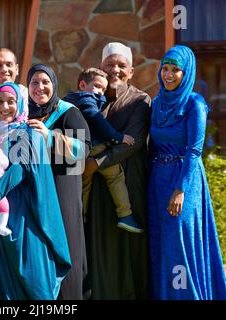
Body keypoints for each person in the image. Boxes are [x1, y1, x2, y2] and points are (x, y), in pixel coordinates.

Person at [0, 82, 72, 300]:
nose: (5, 106)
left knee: (34, 280)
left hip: (24, 217)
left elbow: (23, 165)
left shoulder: (30, 131)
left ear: (21, 103)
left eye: (11, 101)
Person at [148, 45, 226, 300]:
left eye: (176, 70)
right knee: (161, 243)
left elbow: (195, 151)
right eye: (165, 69)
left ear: (187, 73)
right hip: (157, 180)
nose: (168, 75)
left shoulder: (195, 104)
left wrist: (180, 189)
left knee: (179, 240)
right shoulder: (158, 103)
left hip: (184, 179)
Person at [83, 42, 151, 299]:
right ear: (101, 68)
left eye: (121, 65)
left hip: (129, 183)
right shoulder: (91, 99)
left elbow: (131, 144)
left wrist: (94, 164)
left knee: (128, 247)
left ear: (131, 71)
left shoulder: (140, 100)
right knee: (99, 245)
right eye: (109, 65)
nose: (115, 70)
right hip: (98, 188)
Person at [26, 64, 91, 300]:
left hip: (62, 192)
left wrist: (50, 137)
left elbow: (83, 149)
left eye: (45, 82)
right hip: (34, 194)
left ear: (54, 84)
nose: (40, 87)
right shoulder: (24, 113)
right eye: (34, 82)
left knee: (66, 250)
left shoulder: (68, 112)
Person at [63, 67, 143, 233]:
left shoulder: (68, 101)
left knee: (84, 184)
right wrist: (119, 138)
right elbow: (97, 120)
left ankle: (80, 217)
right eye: (98, 86)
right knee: (115, 177)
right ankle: (125, 214)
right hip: (95, 146)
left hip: (77, 150)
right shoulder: (86, 99)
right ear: (82, 85)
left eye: (103, 89)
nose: (100, 92)